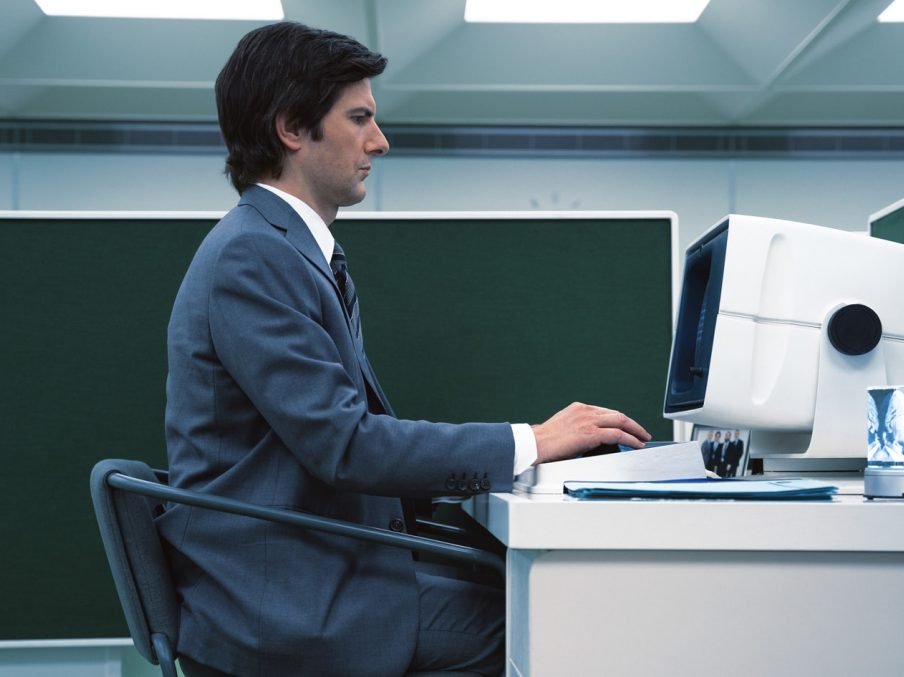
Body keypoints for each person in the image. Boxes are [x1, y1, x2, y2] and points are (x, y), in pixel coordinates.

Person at [156, 21, 651, 676]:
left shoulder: (290, 251)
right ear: (292, 129)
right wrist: (533, 441)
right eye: (359, 119)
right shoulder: (254, 256)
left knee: (542, 589)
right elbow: (347, 445)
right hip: (287, 601)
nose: (379, 142)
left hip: (316, 569)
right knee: (563, 612)